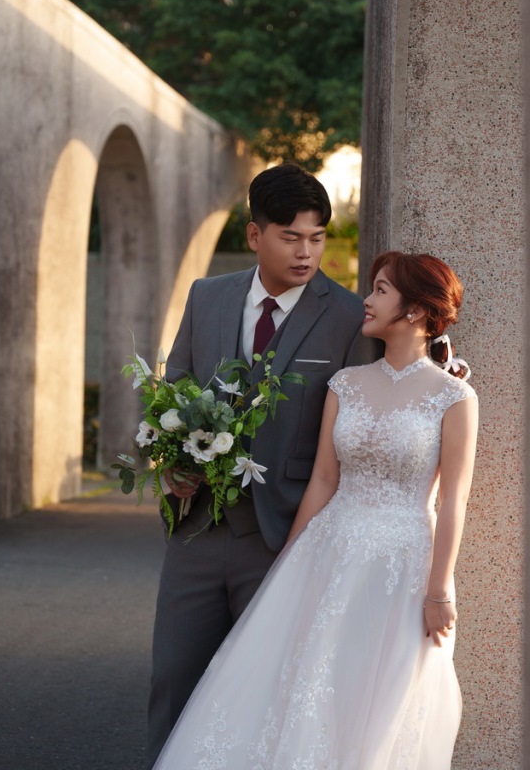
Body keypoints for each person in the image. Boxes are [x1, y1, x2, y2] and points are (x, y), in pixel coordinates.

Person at [151, 250, 479, 770]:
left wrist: (439, 590)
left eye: (380, 290)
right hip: (329, 550)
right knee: (304, 687)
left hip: (402, 566)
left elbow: (454, 497)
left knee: (379, 696)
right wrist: (288, 560)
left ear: (416, 310)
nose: (367, 300)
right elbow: (325, 478)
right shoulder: (346, 384)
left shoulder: (453, 397)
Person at [146, 164, 379, 769]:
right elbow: (174, 395)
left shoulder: (349, 316)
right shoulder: (207, 297)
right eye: (290, 236)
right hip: (197, 529)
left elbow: (355, 433)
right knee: (174, 680)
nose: (306, 253)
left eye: (317, 238)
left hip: (285, 538)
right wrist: (170, 463)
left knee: (265, 695)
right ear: (255, 235)